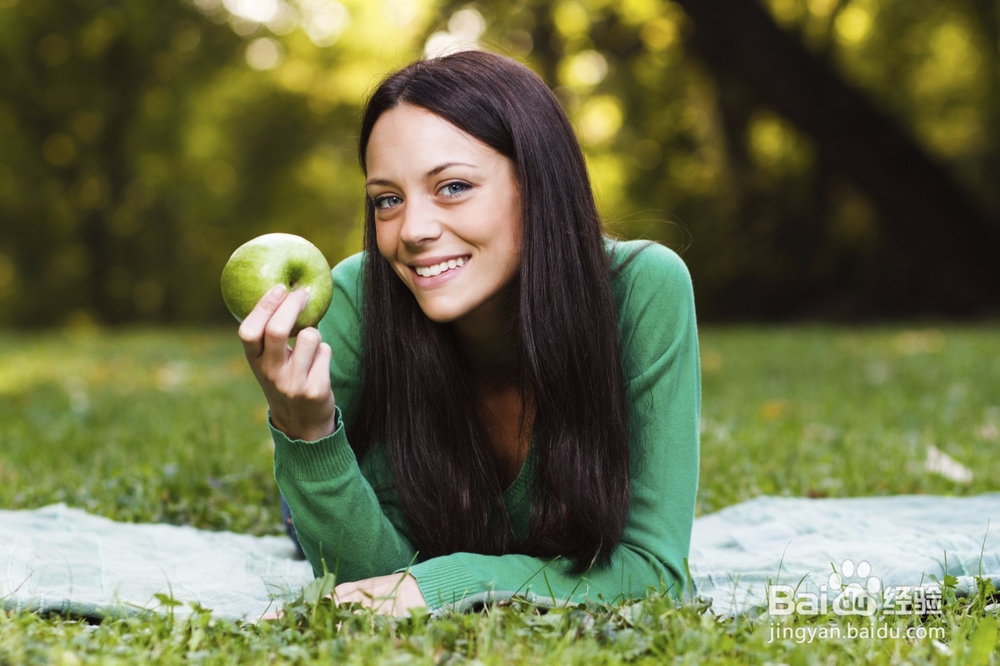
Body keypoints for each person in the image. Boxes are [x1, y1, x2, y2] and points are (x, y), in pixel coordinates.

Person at [237, 49, 700, 617]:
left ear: (538, 183)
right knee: (301, 514)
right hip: (349, 489)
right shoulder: (358, 297)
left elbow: (655, 574)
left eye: (453, 187)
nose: (413, 230)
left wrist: (448, 581)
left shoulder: (643, 289)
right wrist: (306, 432)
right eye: (388, 199)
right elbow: (370, 590)